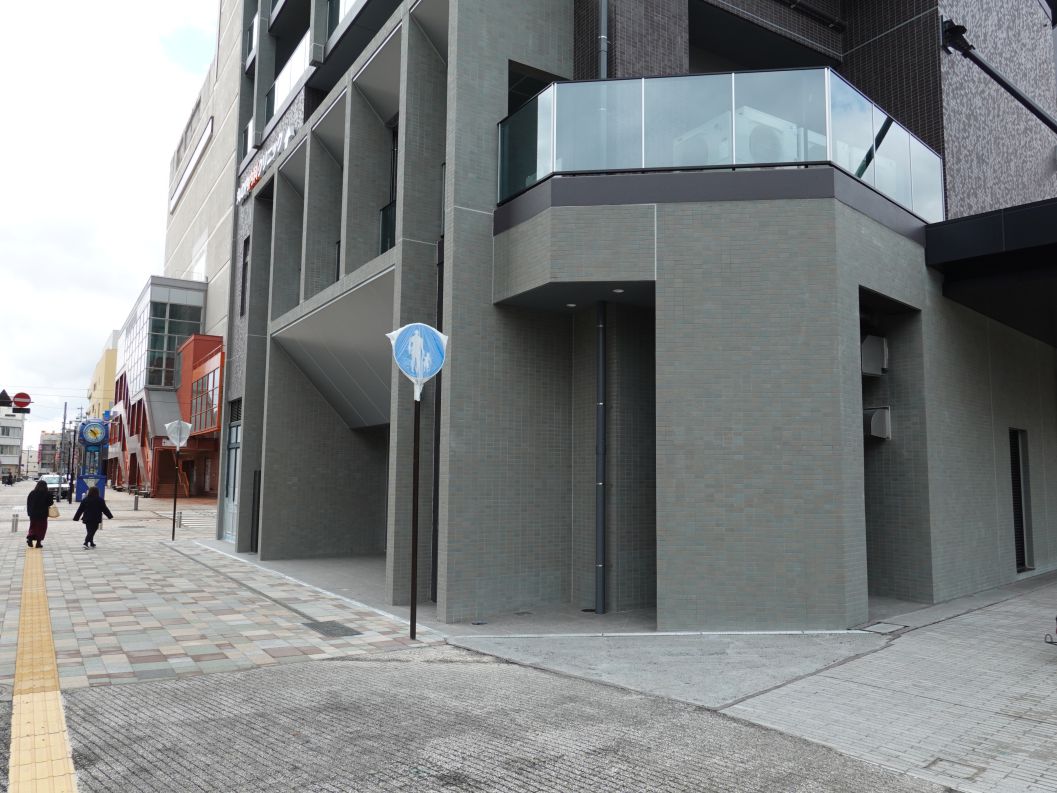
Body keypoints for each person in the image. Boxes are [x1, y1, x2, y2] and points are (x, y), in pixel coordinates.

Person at [26, 480, 54, 548]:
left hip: (33, 514)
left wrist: (29, 512)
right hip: (43, 514)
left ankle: (30, 538)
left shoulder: (32, 493)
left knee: (33, 526)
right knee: (41, 528)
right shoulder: (47, 493)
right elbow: (50, 503)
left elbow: (28, 503)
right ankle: (38, 543)